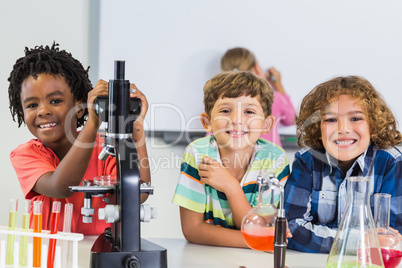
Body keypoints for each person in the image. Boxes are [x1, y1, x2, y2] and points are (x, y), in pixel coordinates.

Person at [8, 43, 150, 235]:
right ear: (21, 112)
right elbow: (61, 187)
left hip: (100, 253)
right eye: (32, 105)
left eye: (55, 101)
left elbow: (138, 193)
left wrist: (136, 127)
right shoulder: (26, 155)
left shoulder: (107, 149)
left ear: (80, 107)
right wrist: (93, 122)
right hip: (50, 256)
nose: (43, 111)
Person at [284, 75, 402, 253]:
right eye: (331, 119)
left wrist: (327, 239)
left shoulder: (391, 163)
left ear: (374, 126)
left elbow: (391, 238)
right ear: (317, 129)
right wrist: (358, 241)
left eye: (355, 118)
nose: (343, 129)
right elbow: (290, 229)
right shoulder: (307, 161)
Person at [172, 71, 290, 248]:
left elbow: (263, 227)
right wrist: (259, 240)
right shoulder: (198, 154)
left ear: (267, 125)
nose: (236, 120)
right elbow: (192, 229)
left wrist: (231, 187)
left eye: (249, 111)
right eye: (225, 111)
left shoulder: (275, 159)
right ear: (207, 122)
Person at [220, 47, 296, 147]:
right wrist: (278, 86)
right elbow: (291, 119)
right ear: (256, 68)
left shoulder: (221, 100)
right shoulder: (272, 97)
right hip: (270, 159)